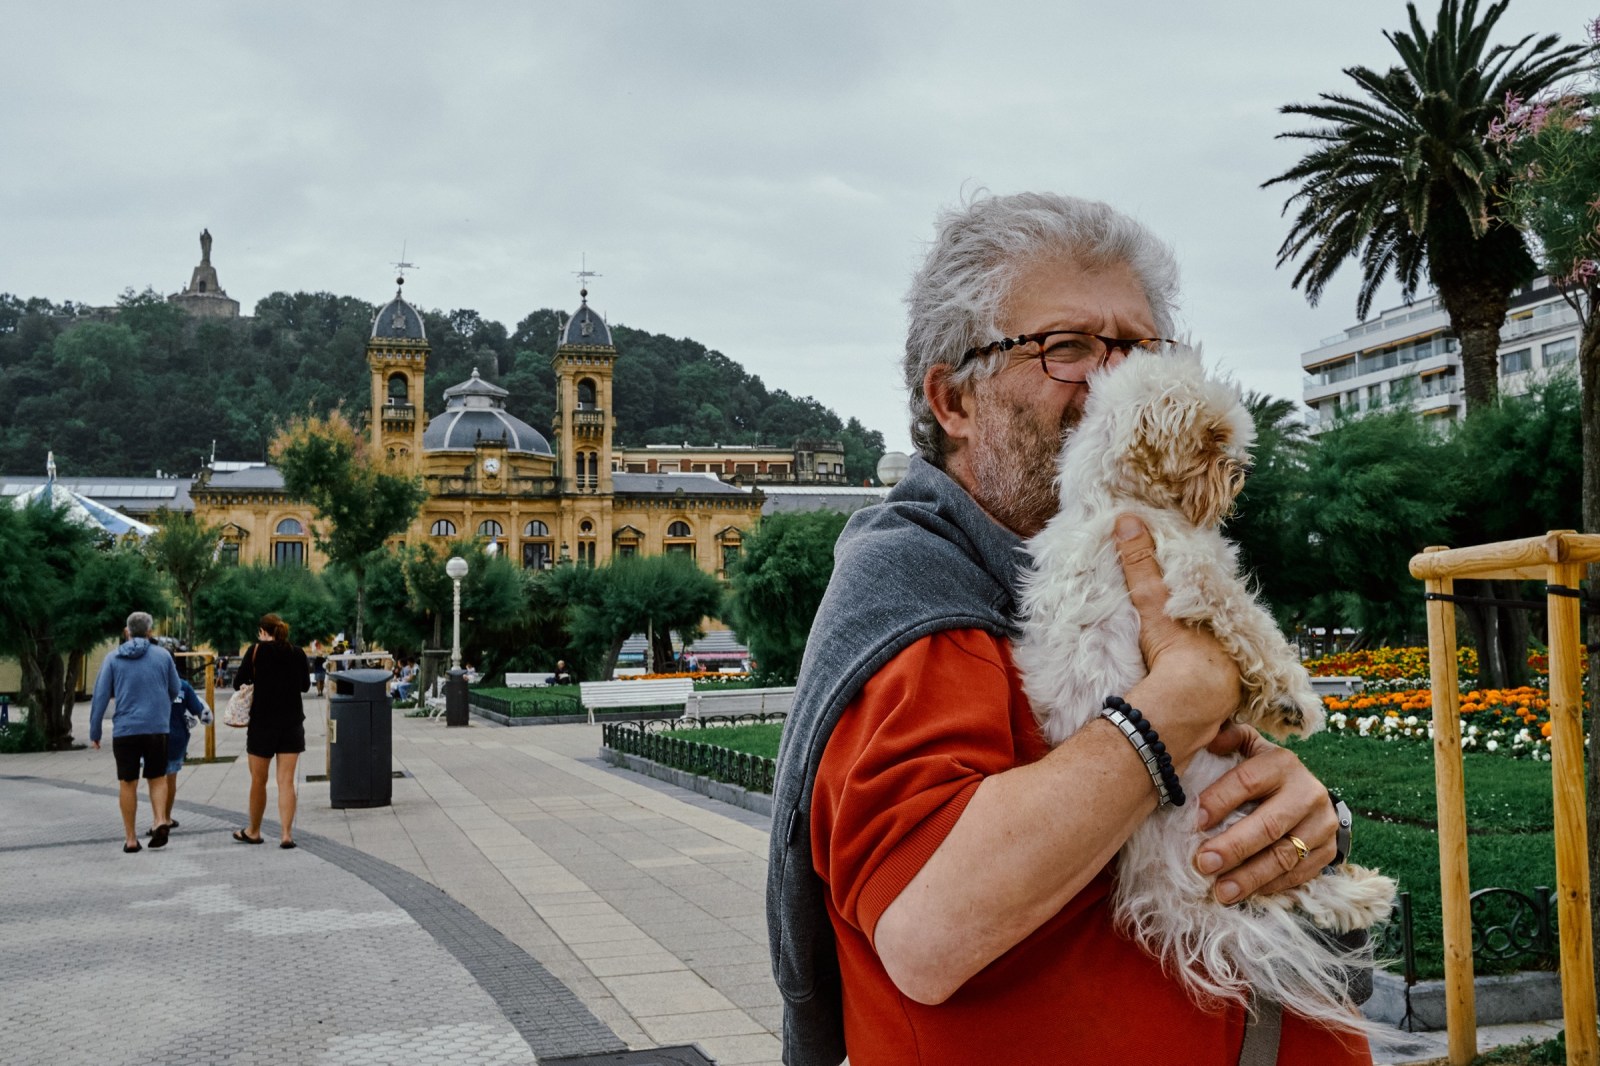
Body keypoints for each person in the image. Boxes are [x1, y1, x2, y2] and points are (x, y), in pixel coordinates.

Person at [768, 193, 1361, 1066]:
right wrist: (1183, 700)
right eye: (1068, 348)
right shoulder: (923, 598)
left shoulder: (1133, 575)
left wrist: (1303, 829)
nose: (1116, 383)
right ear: (953, 400)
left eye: (1140, 350)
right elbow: (929, 931)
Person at [89, 611, 181, 854]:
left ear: (126, 632)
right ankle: (160, 820)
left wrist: (95, 731)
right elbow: (175, 689)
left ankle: (130, 839)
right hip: (157, 728)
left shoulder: (112, 658)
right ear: (150, 632)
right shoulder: (163, 656)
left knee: (128, 782)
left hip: (125, 729)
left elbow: (100, 696)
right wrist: (161, 703)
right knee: (157, 777)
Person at [232, 612, 310, 849]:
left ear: (262, 631)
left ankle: (254, 831)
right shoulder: (297, 652)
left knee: (259, 780)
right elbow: (305, 685)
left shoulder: (255, 651)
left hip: (262, 725)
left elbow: (238, 682)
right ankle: (286, 835)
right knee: (286, 781)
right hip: (291, 724)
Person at [151, 677, 212, 836]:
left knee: (156, 780)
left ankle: (158, 820)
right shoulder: (183, 686)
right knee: (170, 780)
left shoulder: (150, 683)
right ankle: (166, 818)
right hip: (176, 739)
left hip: (153, 737)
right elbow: (199, 710)